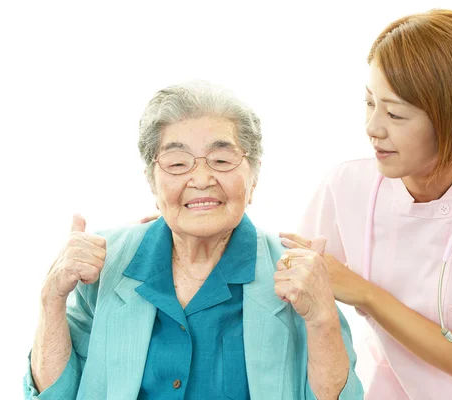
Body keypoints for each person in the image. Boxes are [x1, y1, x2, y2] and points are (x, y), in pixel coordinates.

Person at [23, 81, 363, 400]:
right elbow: (57, 394)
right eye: (177, 163)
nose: (201, 178)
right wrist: (51, 297)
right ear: (152, 183)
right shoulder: (105, 262)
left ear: (254, 175)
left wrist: (321, 317)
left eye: (221, 160)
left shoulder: (294, 272)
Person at [281, 9, 452, 399]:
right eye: (370, 103)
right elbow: (284, 274)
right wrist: (174, 236)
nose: (373, 128)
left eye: (395, 113)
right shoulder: (347, 184)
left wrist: (365, 292)